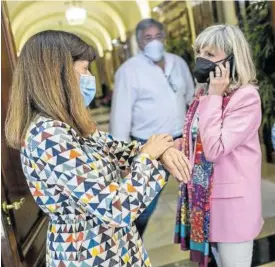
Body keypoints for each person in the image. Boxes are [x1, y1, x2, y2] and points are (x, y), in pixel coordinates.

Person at [5, 31, 191, 267]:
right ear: (58, 75)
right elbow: (117, 209)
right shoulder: (48, 136)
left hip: (114, 247)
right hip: (88, 253)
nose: (90, 77)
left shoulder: (69, 125)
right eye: (84, 69)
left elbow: (121, 151)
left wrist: (161, 151)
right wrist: (148, 156)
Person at [174, 24, 263, 267]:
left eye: (210, 54)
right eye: (200, 52)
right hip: (206, 203)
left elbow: (214, 149)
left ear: (232, 60)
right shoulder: (203, 95)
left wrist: (214, 94)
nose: (202, 59)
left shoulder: (245, 97)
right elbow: (199, 140)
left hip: (232, 208)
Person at [110, 18, 195, 237]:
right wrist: (124, 161)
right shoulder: (128, 71)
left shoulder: (178, 63)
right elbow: (120, 117)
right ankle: (129, 246)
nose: (154, 42)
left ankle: (205, 250)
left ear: (165, 38)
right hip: (149, 146)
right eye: (148, 38)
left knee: (197, 197)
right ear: (139, 41)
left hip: (182, 142)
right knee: (144, 206)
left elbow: (191, 99)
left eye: (158, 36)